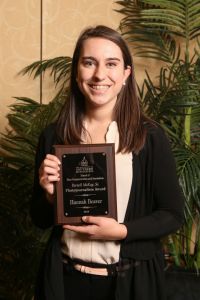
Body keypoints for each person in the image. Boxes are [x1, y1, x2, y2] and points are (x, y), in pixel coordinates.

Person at [31, 25, 184, 300]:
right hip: (64, 282)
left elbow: (173, 215)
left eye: (111, 64)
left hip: (128, 283)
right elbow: (39, 220)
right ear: (77, 71)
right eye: (89, 63)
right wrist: (48, 196)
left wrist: (121, 231)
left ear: (126, 73)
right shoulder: (53, 135)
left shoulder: (149, 137)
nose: (99, 74)